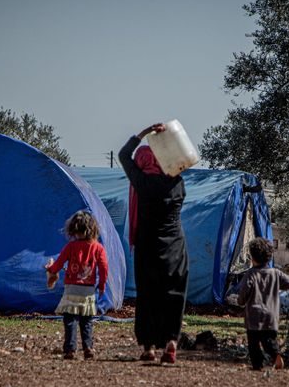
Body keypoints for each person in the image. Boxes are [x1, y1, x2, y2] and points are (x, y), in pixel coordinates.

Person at [118, 123, 189, 364]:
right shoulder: (177, 183)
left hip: (147, 245)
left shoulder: (142, 183)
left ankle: (148, 347)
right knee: (174, 294)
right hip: (175, 247)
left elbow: (123, 155)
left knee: (147, 295)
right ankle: (170, 342)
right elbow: (181, 158)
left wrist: (143, 133)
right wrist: (168, 143)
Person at [44, 211, 109, 360]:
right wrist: (102, 285)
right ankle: (88, 347)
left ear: (74, 229)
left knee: (70, 320)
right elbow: (104, 267)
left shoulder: (70, 247)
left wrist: (51, 270)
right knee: (87, 321)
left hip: (71, 289)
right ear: (92, 229)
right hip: (88, 290)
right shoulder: (98, 248)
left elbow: (59, 264)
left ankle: (70, 349)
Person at [237, 237, 289, 371]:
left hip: (253, 316)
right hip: (271, 315)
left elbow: (244, 291)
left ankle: (257, 365)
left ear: (252, 257)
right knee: (269, 340)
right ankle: (276, 355)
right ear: (269, 257)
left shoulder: (250, 274)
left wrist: (240, 301)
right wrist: (278, 286)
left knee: (253, 343)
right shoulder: (275, 273)